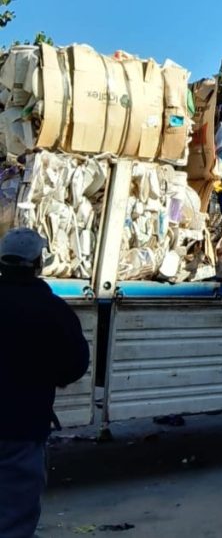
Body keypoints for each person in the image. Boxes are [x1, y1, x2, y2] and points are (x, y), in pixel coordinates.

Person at [0, 228, 89, 538]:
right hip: (22, 428)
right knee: (14, 518)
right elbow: (75, 366)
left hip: (21, 426)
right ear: (39, 263)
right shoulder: (54, 311)